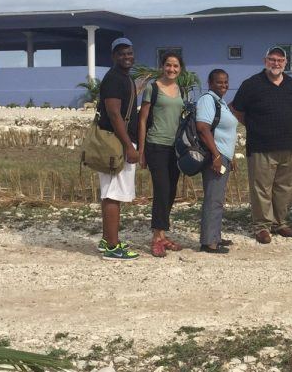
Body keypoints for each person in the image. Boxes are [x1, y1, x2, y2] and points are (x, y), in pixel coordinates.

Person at [231, 46, 292, 244]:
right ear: (265, 61)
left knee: (284, 187)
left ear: (285, 63)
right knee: (261, 188)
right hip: (261, 145)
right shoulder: (251, 84)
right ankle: (261, 226)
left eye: (279, 60)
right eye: (272, 59)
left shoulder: (291, 84)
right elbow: (237, 109)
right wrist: (253, 125)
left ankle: (280, 223)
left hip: (288, 145)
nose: (275, 63)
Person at [95, 37, 140, 261]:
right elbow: (114, 114)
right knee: (114, 194)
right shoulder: (114, 78)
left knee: (110, 193)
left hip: (116, 142)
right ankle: (113, 247)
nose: (127, 57)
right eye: (122, 53)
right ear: (114, 56)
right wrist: (127, 146)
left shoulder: (124, 78)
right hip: (117, 144)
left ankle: (107, 239)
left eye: (129, 53)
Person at [137, 52, 185, 257]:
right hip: (156, 145)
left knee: (171, 191)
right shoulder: (152, 88)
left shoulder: (181, 90)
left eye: (175, 66)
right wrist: (141, 151)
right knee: (162, 189)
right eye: (168, 65)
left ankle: (162, 234)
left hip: (176, 148)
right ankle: (156, 237)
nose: (171, 69)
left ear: (180, 68)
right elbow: (142, 120)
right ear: (162, 66)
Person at [196, 69, 239, 254]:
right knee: (213, 199)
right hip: (215, 158)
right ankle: (209, 242)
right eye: (219, 82)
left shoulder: (220, 102)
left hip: (223, 156)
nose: (223, 85)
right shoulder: (207, 99)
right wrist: (216, 155)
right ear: (210, 83)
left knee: (217, 198)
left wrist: (229, 156)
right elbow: (203, 128)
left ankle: (215, 235)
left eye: (226, 82)